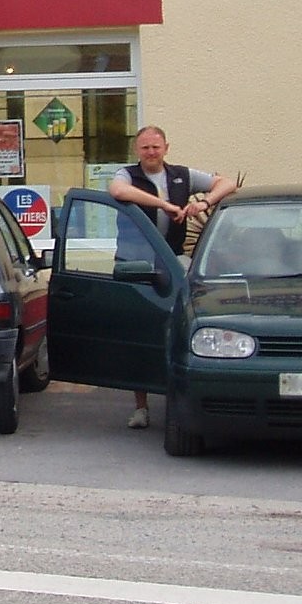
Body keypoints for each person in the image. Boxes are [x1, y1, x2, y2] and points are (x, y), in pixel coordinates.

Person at [107, 125, 238, 430]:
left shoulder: (181, 174)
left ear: (166, 147)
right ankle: (140, 407)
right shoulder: (127, 175)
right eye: (145, 148)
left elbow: (226, 183)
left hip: (173, 260)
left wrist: (204, 203)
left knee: (177, 328)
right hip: (135, 262)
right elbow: (117, 192)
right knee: (138, 332)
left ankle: (178, 399)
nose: (151, 153)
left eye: (156, 147)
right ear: (136, 150)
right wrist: (164, 204)